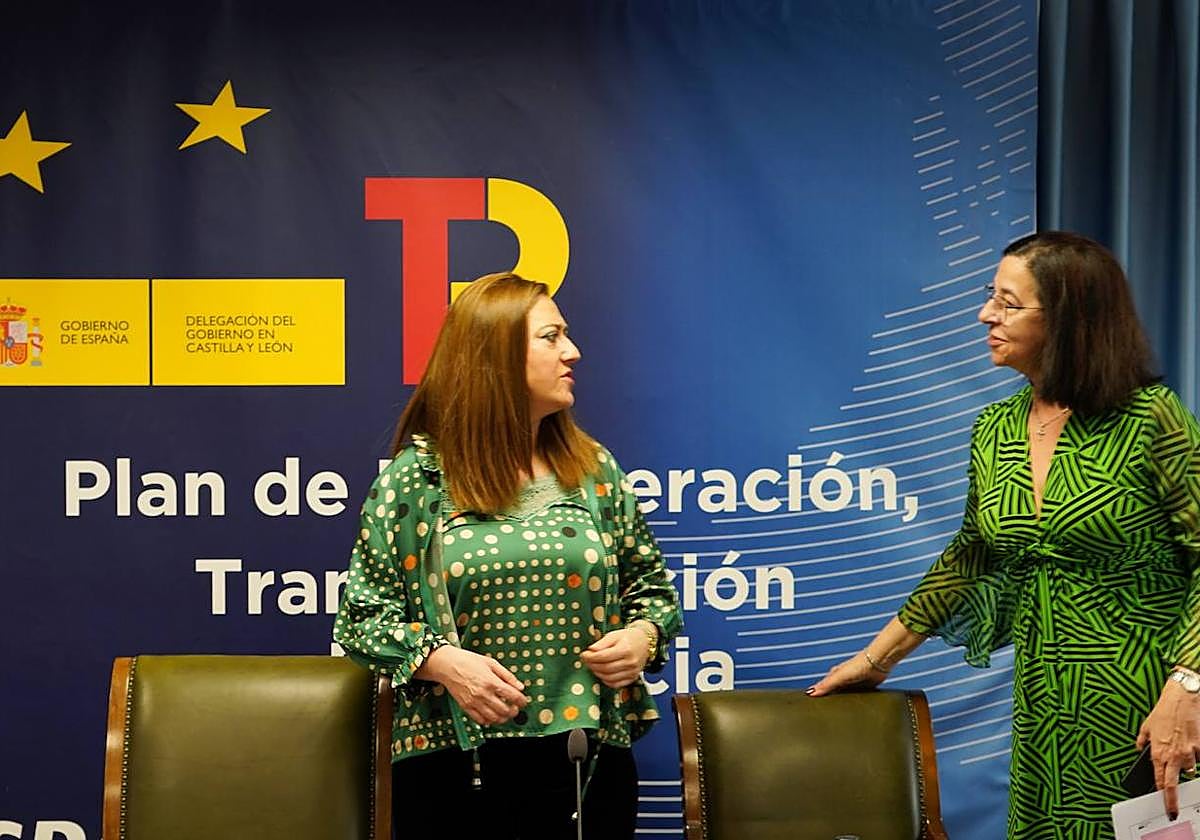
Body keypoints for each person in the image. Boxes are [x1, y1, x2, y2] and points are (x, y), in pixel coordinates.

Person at [810, 231, 1200, 838]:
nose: (985, 314)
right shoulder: (995, 428)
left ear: (1067, 319)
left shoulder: (1151, 418)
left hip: (1153, 707)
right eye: (991, 296)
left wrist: (1187, 686)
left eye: (1008, 303)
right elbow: (970, 557)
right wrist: (873, 660)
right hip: (1045, 710)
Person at [333, 271, 682, 839]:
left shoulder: (594, 471)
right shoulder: (418, 479)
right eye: (551, 337)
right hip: (453, 768)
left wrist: (642, 637)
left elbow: (654, 592)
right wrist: (443, 663)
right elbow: (361, 619)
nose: (573, 351)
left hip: (587, 761)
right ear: (493, 357)